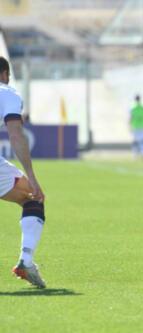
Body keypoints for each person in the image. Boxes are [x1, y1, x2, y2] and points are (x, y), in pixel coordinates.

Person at [0, 56, 46, 288]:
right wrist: (33, 176)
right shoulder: (8, 93)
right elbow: (16, 134)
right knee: (32, 196)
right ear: (5, 74)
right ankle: (26, 260)